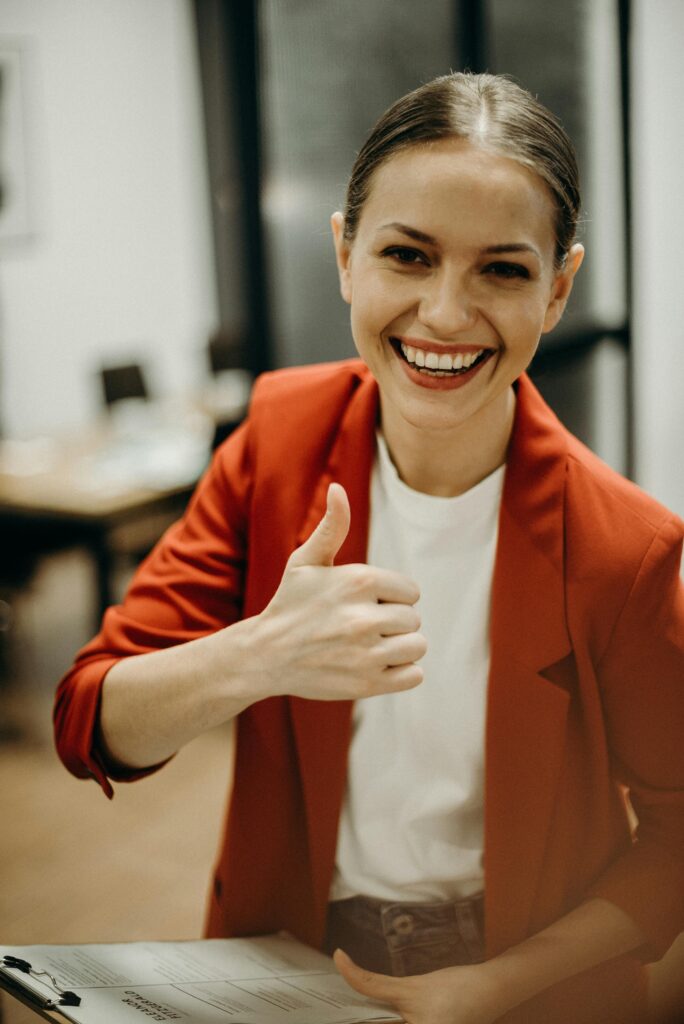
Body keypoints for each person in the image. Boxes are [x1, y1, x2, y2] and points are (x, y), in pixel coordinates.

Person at [54, 72, 683, 1023]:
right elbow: (90, 722)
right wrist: (257, 655)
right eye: (408, 256)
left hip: (531, 971)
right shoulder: (275, 440)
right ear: (346, 254)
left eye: (503, 271)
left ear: (557, 290)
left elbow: (678, 836)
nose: (443, 314)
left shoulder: (626, 548)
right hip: (291, 955)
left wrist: (497, 984)